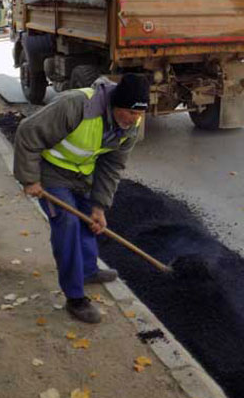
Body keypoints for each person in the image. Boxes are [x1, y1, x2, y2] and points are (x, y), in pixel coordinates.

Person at [13, 74, 149, 324]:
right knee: (67, 225)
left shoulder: (132, 126)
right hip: (52, 172)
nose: (134, 119)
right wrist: (29, 179)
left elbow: (112, 166)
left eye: (139, 114)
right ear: (115, 104)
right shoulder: (76, 105)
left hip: (82, 175)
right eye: (130, 112)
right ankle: (75, 297)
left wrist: (99, 206)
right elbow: (28, 132)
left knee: (89, 221)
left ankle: (88, 270)